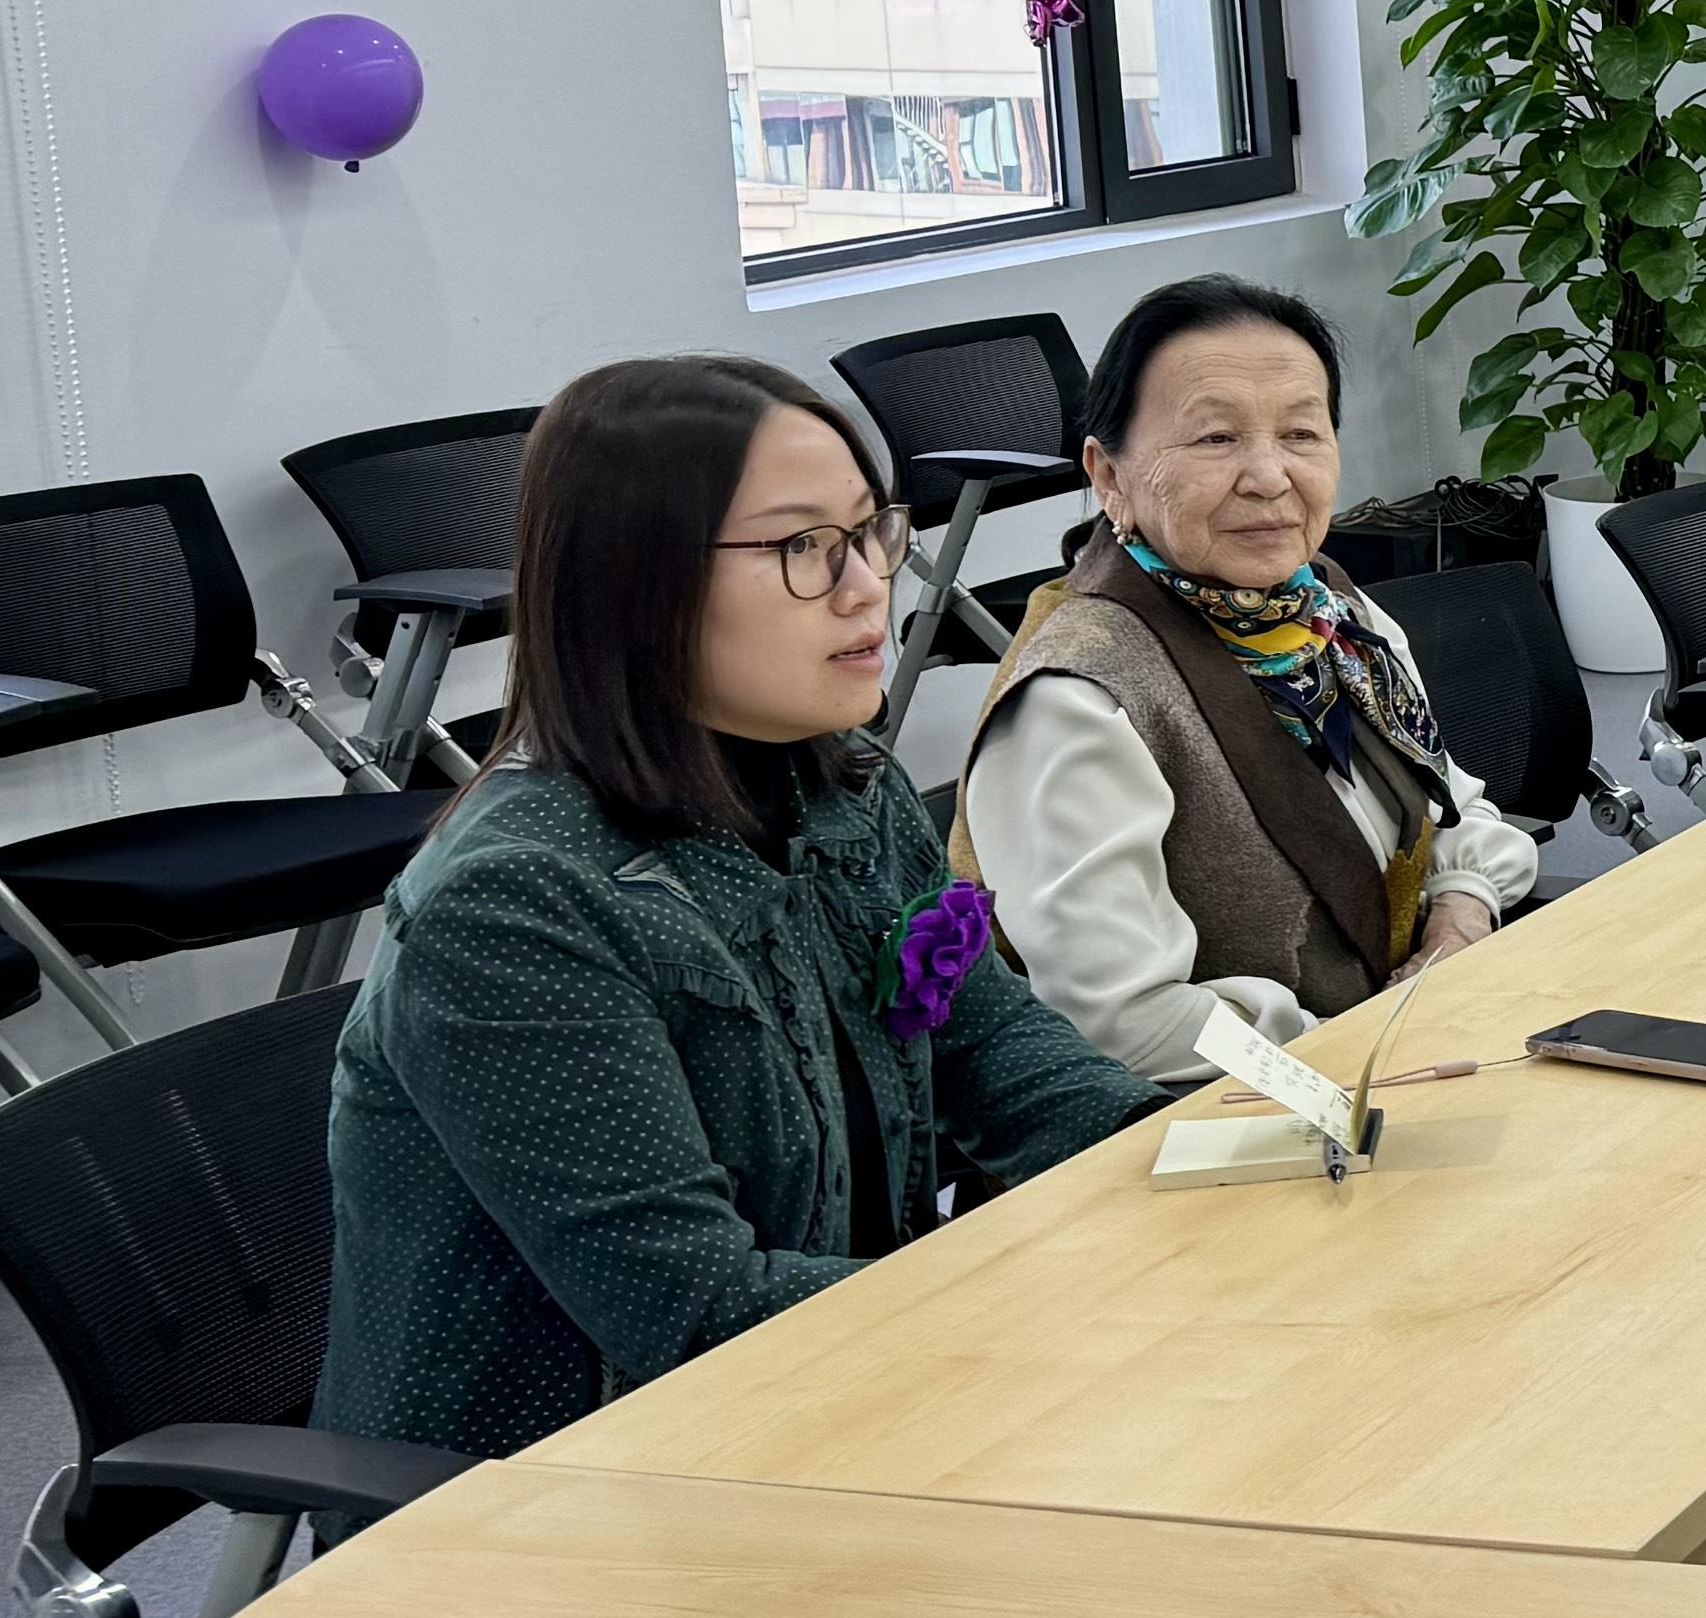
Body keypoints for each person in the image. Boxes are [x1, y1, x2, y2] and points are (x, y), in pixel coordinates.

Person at [316, 357, 1159, 1461]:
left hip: (849, 1389)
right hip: (570, 1488)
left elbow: (988, 1047)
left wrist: (1191, 1153)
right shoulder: (515, 903)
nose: (869, 585)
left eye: (869, 531)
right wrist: (1042, 1302)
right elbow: (696, 1309)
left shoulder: (845, 786)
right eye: (802, 547)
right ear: (636, 584)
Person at [957, 276, 1541, 1080]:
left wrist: (1461, 919)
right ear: (1109, 475)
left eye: (1301, 433)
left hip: (1423, 1046)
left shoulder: (1326, 611)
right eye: (1215, 439)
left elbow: (1454, 810)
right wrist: (1347, 1056)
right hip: (1237, 1119)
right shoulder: (1076, 700)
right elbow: (1122, 1021)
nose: (1269, 476)